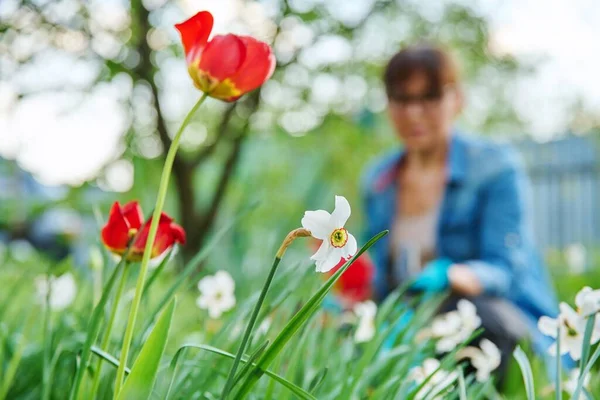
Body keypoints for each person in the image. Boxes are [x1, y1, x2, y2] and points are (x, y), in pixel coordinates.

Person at [361, 43, 560, 384]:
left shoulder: (495, 168)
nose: (414, 113)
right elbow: (375, 276)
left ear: (457, 99)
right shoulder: (379, 181)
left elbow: (508, 270)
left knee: (469, 317)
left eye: (429, 97)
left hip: (493, 317)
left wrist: (451, 276)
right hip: (408, 325)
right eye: (402, 99)